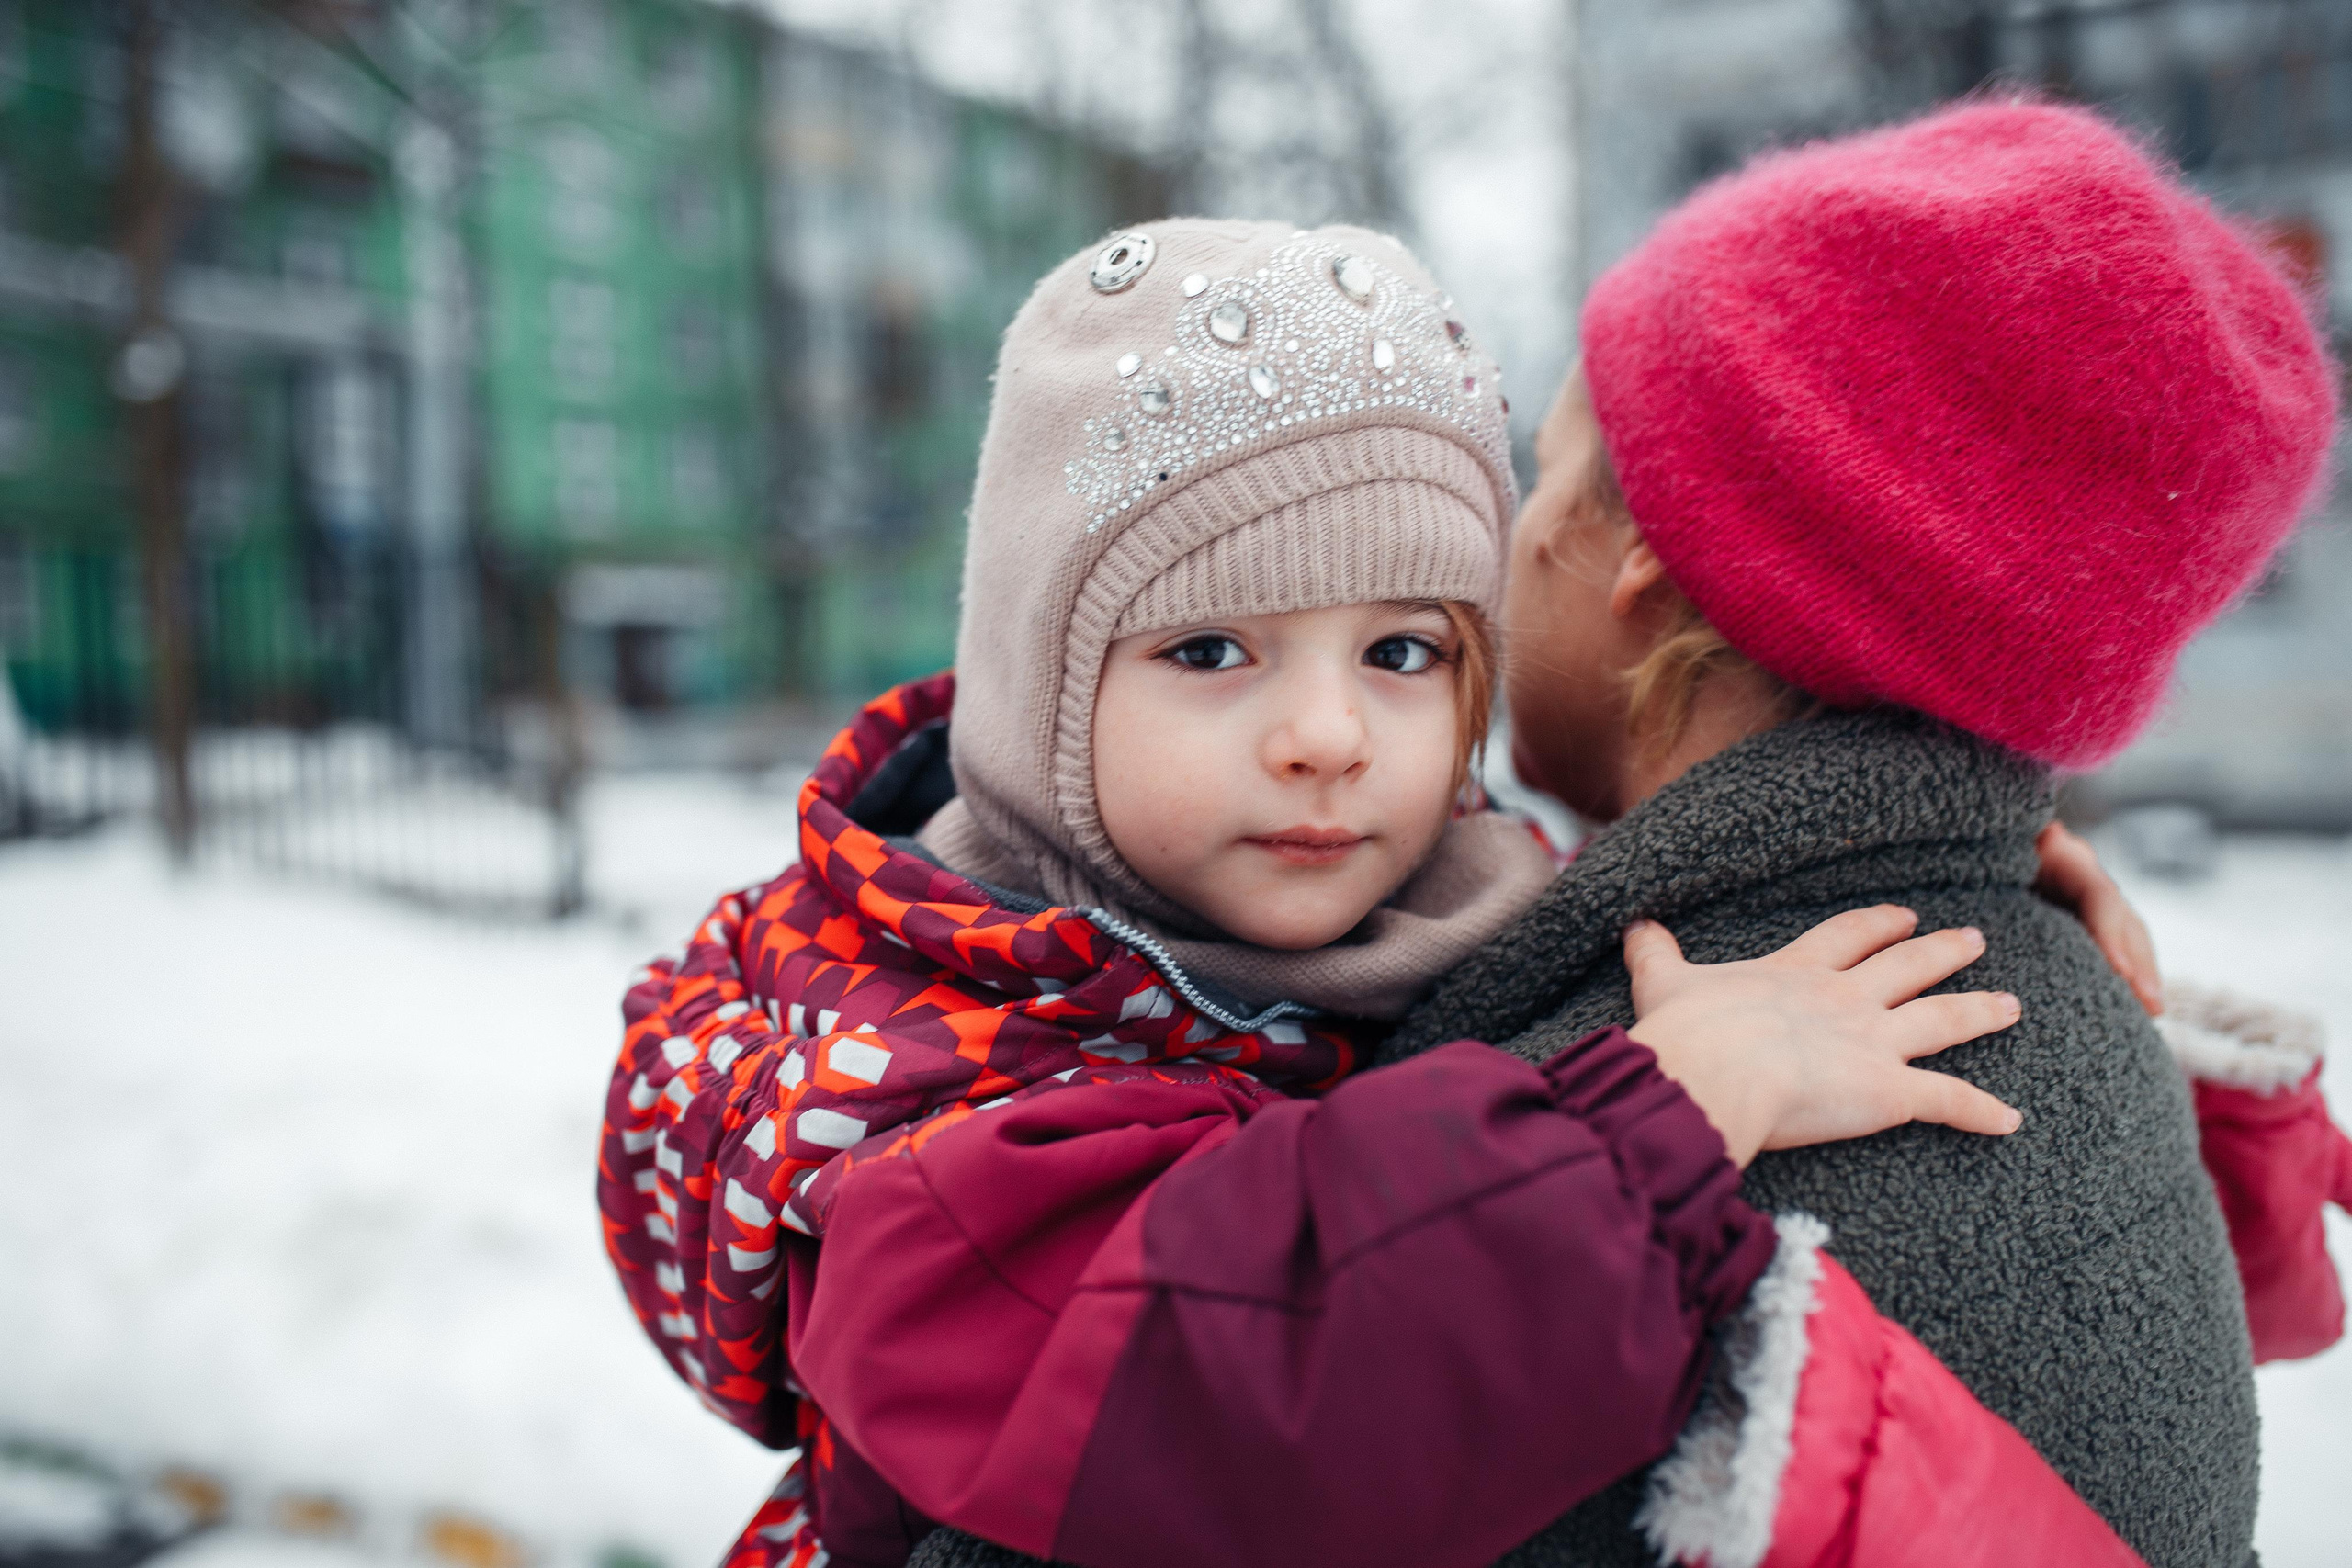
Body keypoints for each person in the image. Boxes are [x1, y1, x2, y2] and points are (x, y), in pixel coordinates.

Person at [598, 219, 2192, 1568]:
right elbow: (1232, 1409)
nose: (1328, 737)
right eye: (1210, 649)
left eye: (1404, 650)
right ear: (1044, 689)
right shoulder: (935, 1099)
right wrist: (1663, 1116)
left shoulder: (1419, 889)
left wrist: (1921, 835)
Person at [1374, 99, 2345, 1568]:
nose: (1509, 537)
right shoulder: (2061, 1008)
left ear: (1643, 558)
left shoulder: (1606, 1143)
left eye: (1550, 466)